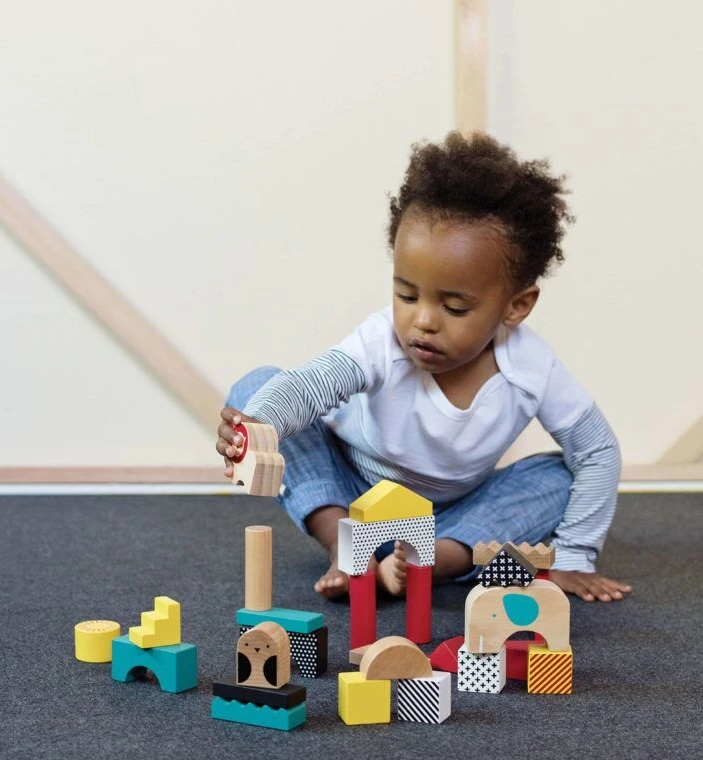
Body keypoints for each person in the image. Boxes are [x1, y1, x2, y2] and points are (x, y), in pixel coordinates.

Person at [216, 132, 632, 604]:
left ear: (516, 306)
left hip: (451, 517)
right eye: (407, 295)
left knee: (560, 477)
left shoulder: (532, 368)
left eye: (455, 308)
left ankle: (432, 561)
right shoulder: (381, 342)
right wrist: (256, 427)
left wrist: (574, 554)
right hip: (351, 495)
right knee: (260, 385)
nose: (424, 321)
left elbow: (598, 451)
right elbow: (310, 388)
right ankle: (346, 550)